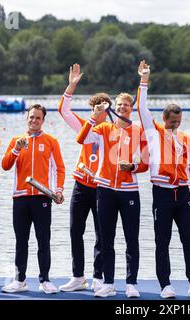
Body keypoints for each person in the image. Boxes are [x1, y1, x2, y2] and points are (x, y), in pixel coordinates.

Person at [136, 60, 190, 298]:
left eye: (178, 122)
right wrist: (144, 79)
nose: (175, 125)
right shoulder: (153, 132)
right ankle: (165, 284)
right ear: (164, 119)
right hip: (162, 193)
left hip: (183, 192)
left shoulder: (184, 138)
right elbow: (141, 107)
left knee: (189, 240)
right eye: (172, 122)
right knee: (162, 240)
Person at [76, 85, 149, 298]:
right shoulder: (105, 129)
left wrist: (133, 167)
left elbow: (145, 162)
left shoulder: (138, 131)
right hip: (106, 189)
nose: (123, 108)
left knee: (131, 238)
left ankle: (131, 283)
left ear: (131, 109)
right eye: (119, 105)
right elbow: (81, 139)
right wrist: (94, 115)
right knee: (106, 238)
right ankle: (108, 282)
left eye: (126, 105)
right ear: (114, 108)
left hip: (129, 191)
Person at [1, 104, 65, 294]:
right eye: (31, 117)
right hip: (20, 198)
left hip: (42, 198)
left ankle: (45, 280)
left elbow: (59, 168)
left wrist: (58, 190)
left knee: (43, 239)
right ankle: (19, 280)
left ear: (43, 120)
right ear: (26, 118)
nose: (34, 121)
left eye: (38, 118)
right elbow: (5, 165)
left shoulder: (51, 141)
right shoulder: (16, 141)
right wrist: (16, 150)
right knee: (21, 240)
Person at [57, 64, 106, 293]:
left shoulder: (114, 129)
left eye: (101, 108)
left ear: (108, 109)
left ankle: (99, 276)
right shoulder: (85, 126)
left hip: (101, 187)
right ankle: (78, 276)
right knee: (75, 230)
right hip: (81, 185)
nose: (96, 111)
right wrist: (72, 85)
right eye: (94, 108)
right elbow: (63, 111)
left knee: (101, 233)